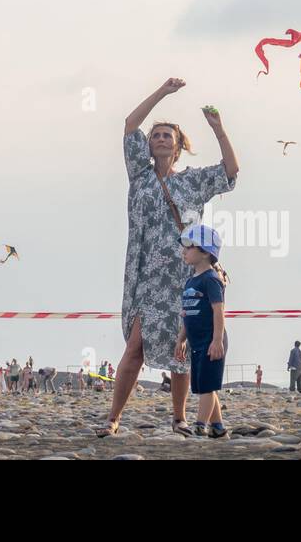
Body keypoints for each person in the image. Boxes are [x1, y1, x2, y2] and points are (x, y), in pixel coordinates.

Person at [101, 78, 239, 438]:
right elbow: (130, 124)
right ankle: (113, 418)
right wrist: (162, 91)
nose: (160, 138)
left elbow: (230, 171)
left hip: (184, 277)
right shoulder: (140, 176)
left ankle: (178, 418)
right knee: (135, 348)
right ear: (149, 146)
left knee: (183, 352)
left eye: (167, 136)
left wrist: (219, 130)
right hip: (145, 278)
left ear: (177, 148)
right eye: (156, 135)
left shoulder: (192, 182)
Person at [174, 223, 229, 438]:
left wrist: (217, 341)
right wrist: (181, 339)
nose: (184, 251)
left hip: (211, 340)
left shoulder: (211, 280)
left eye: (189, 247)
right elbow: (187, 313)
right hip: (196, 342)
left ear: (205, 252)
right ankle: (218, 427)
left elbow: (218, 311)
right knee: (203, 385)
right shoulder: (191, 281)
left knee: (206, 386)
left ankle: (200, 424)